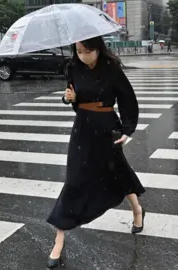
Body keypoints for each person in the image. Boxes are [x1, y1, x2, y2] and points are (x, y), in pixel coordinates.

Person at [46, 36, 146, 269]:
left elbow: (127, 98)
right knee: (73, 181)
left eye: (87, 51)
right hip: (82, 128)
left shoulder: (111, 68)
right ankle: (59, 239)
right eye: (79, 51)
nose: (83, 56)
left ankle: (138, 210)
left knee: (118, 173)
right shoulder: (72, 67)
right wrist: (68, 98)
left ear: (98, 49)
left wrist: (126, 129)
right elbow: (73, 99)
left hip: (107, 127)